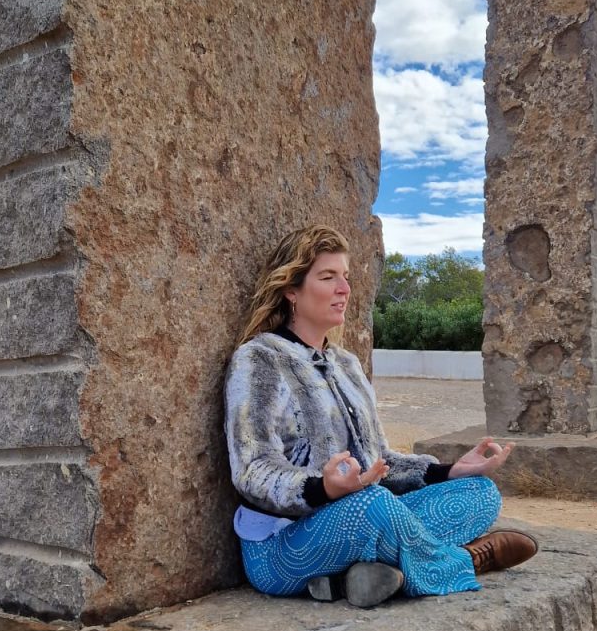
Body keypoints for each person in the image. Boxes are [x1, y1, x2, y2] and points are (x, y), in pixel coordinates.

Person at [224, 225, 539, 608]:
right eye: (328, 277)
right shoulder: (259, 359)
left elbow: (381, 460)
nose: (344, 288)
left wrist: (447, 471)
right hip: (283, 546)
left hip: (362, 517)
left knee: (479, 493)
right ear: (291, 290)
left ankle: (351, 579)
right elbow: (252, 469)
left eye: (346, 277)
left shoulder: (346, 365)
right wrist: (323, 489)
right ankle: (467, 560)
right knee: (371, 505)